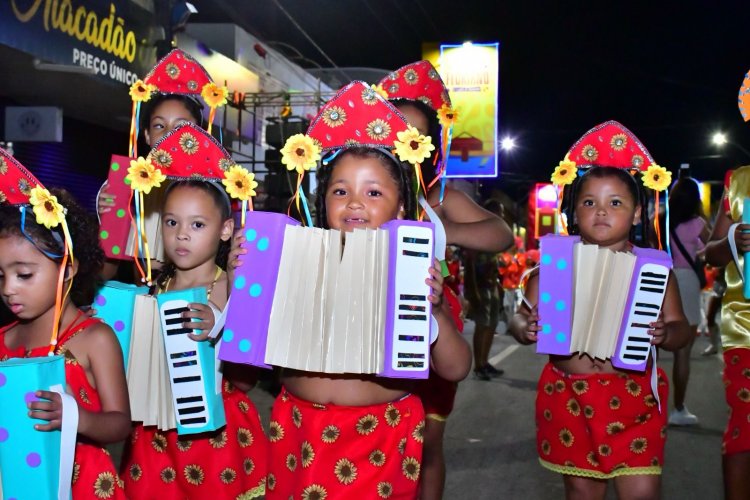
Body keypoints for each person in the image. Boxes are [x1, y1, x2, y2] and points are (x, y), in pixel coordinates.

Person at [230, 81, 472, 499]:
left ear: (401, 208)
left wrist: (431, 315)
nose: (354, 202)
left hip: (378, 436)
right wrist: (244, 286)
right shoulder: (294, 257)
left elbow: (455, 368)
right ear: (323, 202)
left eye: (373, 192)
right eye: (340, 190)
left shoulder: (411, 272)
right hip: (298, 432)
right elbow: (245, 365)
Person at [510, 121, 690, 500]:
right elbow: (519, 316)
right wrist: (523, 326)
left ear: (638, 214)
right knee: (581, 492)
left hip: (634, 397)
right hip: (568, 395)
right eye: (589, 202)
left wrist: (666, 334)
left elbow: (681, 329)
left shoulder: (654, 271)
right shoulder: (552, 268)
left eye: (616, 203)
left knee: (641, 491)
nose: (601, 212)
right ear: (573, 212)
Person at [380, 60, 513, 499]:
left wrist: (441, 230)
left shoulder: (438, 196)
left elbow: (501, 234)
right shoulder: (358, 187)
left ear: (431, 147)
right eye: (395, 132)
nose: (404, 145)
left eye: (415, 137)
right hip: (374, 322)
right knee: (378, 431)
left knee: (428, 441)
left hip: (433, 324)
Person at [119, 123, 267, 499]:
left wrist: (217, 322)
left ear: (225, 229)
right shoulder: (154, 288)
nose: (182, 234)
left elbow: (243, 353)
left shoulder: (228, 285)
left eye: (197, 224)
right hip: (155, 432)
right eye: (172, 222)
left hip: (213, 437)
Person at [0, 149, 130, 498]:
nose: (9, 288)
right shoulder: (4, 338)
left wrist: (77, 417)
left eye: (24, 274)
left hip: (84, 484)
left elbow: (120, 423)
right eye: (1, 276)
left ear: (68, 268)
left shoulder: (94, 338)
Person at [98, 49, 226, 282]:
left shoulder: (216, 186)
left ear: (198, 132)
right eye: (159, 126)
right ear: (146, 135)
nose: (170, 135)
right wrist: (107, 219)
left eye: (181, 127)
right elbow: (106, 270)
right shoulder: (125, 185)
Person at [704, 165, 750, 500]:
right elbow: (711, 253)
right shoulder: (739, 182)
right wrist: (732, 240)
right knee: (745, 427)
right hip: (746, 326)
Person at [667, 177, 710, 426]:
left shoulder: (660, 221)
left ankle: (644, 404)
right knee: (683, 353)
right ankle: (678, 408)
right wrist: (699, 254)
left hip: (661, 280)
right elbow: (713, 249)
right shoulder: (697, 224)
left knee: (650, 343)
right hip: (687, 282)